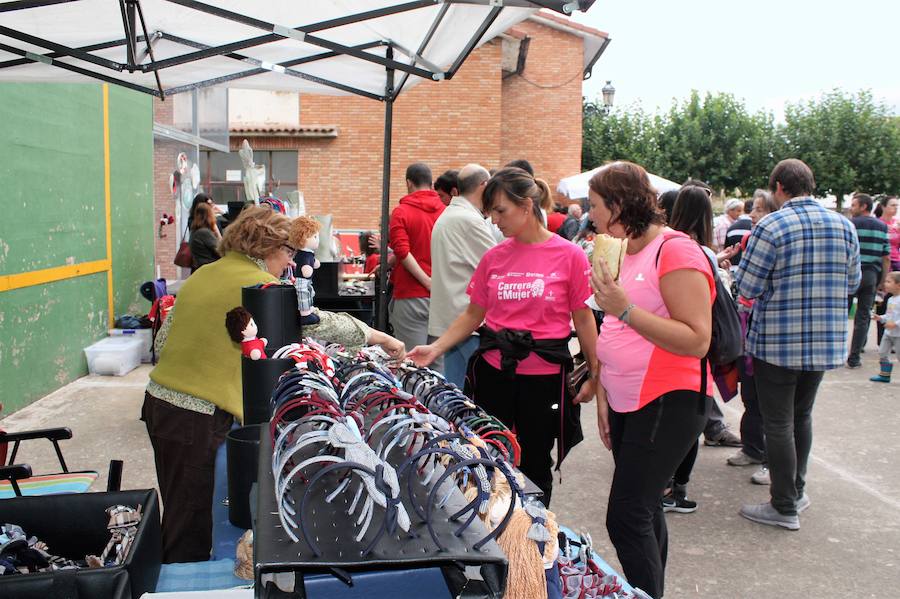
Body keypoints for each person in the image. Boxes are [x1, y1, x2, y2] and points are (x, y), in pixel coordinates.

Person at [143, 206, 406, 563]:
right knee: (189, 520)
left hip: (160, 403)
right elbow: (313, 322)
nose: (290, 262)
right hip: (194, 415)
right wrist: (377, 336)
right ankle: (181, 583)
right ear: (266, 247)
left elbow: (163, 344)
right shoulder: (259, 286)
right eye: (288, 252)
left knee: (178, 507)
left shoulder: (205, 274)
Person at [408, 167, 598, 506]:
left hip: (543, 377)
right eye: (490, 212)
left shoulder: (569, 255)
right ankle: (494, 527)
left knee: (536, 460)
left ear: (526, 206)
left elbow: (583, 319)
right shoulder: (494, 257)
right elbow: (472, 314)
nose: (494, 221)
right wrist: (435, 347)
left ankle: (534, 535)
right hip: (494, 373)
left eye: (500, 211)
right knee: (489, 453)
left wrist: (596, 373)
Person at [588, 162, 715, 599]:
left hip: (669, 396)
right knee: (643, 512)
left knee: (626, 515)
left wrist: (626, 309)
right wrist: (603, 396)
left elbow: (697, 339)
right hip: (627, 398)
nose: (591, 215)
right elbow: (611, 328)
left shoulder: (676, 250)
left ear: (619, 205)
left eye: (596, 205)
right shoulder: (620, 248)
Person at [735, 159, 860, 531]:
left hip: (778, 341)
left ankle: (784, 504)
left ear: (778, 187)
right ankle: (796, 491)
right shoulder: (843, 225)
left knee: (778, 422)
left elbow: (747, 286)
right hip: (825, 340)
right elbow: (853, 282)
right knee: (801, 417)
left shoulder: (771, 225)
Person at [727, 189, 780, 483]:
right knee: (750, 394)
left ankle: (773, 462)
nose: (753, 213)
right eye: (754, 208)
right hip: (748, 327)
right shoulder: (749, 238)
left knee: (775, 407)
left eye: (760, 208)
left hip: (767, 332)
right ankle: (752, 447)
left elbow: (751, 284)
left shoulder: (771, 237)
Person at [427, 164, 496, 388]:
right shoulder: (468, 220)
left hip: (454, 322)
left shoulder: (451, 215)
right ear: (484, 186)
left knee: (457, 393)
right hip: (470, 324)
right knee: (475, 397)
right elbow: (498, 267)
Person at [388, 162, 445, 350]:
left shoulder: (401, 212)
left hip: (410, 294)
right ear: (431, 183)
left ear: (408, 183)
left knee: (411, 360)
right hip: (442, 295)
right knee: (438, 361)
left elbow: (403, 251)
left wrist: (426, 281)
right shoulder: (445, 211)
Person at [846, 193, 890, 369]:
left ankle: (838, 351)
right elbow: (885, 256)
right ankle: (854, 357)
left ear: (864, 206)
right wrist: (883, 280)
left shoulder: (851, 224)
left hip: (850, 272)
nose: (851, 208)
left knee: (842, 313)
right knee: (863, 316)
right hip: (871, 274)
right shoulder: (882, 227)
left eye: (854, 205)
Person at [874, 196, 900, 345]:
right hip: (884, 267)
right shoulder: (879, 224)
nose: (895, 208)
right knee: (882, 304)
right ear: (883, 206)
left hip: (897, 265)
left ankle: (895, 337)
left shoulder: (897, 224)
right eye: (892, 205)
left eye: (897, 206)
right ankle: (882, 339)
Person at [870, 271, 900, 383]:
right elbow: (889, 314)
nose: (885, 284)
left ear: (898, 285)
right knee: (882, 352)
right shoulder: (891, 299)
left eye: (889, 281)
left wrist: (896, 324)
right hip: (888, 333)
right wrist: (881, 318)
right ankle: (885, 375)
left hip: (898, 334)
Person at [723, 196, 758, 268]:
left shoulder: (731, 228)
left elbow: (726, 251)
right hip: (751, 268)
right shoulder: (756, 228)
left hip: (733, 267)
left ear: (744, 209)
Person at [188, 202, 221, 272]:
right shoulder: (204, 233)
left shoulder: (194, 231)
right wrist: (217, 231)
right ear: (209, 215)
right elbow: (221, 250)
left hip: (201, 268)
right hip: (210, 270)